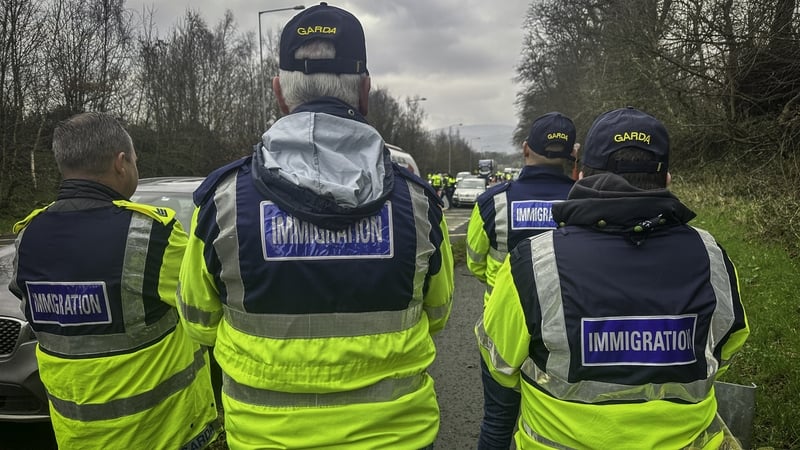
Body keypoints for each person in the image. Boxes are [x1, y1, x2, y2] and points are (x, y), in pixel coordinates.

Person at [176, 3, 454, 449]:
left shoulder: (222, 202)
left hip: (265, 437)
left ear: (280, 93)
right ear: (364, 91)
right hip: (397, 436)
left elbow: (198, 321)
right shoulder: (418, 203)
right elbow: (437, 314)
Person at [476, 107, 750, 449]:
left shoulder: (532, 263)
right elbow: (725, 348)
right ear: (666, 180)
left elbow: (499, 363)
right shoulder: (712, 257)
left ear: (579, 176)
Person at [9, 112, 220, 449]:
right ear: (121, 163)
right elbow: (206, 302)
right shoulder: (152, 236)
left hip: (76, 438)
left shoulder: (28, 237)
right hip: (162, 435)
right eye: (135, 160)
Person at [466, 112, 578, 449]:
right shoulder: (585, 201)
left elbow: (473, 262)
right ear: (572, 153)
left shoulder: (493, 202)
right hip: (565, 333)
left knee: (498, 422)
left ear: (525, 149)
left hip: (501, 329)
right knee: (557, 428)